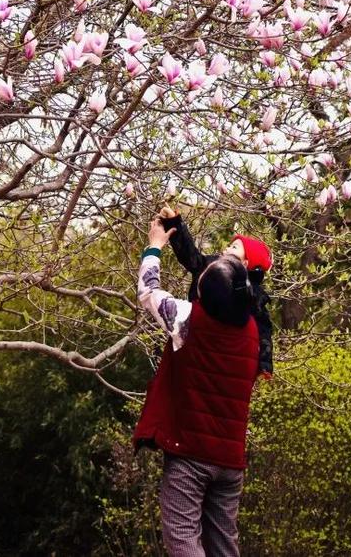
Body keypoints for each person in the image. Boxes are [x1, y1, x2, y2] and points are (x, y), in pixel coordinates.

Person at [134, 218, 260, 557]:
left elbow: (149, 290)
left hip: (190, 454)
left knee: (182, 536)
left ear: (207, 292)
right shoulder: (253, 332)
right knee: (223, 546)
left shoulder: (187, 319)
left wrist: (154, 246)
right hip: (229, 462)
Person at [159, 205, 274, 378]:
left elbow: (263, 329)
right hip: (196, 335)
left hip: (222, 350)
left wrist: (264, 363)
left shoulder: (252, 295)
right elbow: (190, 255)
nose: (226, 249)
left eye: (234, 248)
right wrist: (174, 223)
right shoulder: (210, 267)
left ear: (245, 264)